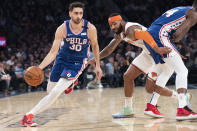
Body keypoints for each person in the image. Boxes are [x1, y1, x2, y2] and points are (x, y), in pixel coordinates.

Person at [21, 2, 103, 127]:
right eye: (75, 13)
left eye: (80, 13)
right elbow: (53, 52)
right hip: (61, 60)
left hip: (76, 63)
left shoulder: (90, 28)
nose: (78, 16)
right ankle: (70, 84)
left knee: (55, 93)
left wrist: (97, 65)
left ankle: (28, 116)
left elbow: (95, 46)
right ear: (70, 13)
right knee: (50, 92)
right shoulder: (62, 28)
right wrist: (39, 68)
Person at [88, 13, 180, 118]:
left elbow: (146, 35)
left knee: (150, 88)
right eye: (111, 25)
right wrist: (95, 59)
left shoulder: (131, 29)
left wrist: (158, 50)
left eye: (115, 24)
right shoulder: (120, 34)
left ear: (121, 21)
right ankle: (128, 109)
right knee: (128, 77)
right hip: (147, 53)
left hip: (159, 52)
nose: (113, 27)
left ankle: (179, 97)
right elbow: (109, 49)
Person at [141, 0, 197, 120]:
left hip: (150, 36)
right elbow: (176, 36)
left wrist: (174, 50)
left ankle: (151, 105)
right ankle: (182, 108)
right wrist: (175, 45)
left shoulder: (182, 8)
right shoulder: (193, 14)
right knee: (182, 71)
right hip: (160, 35)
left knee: (168, 70)